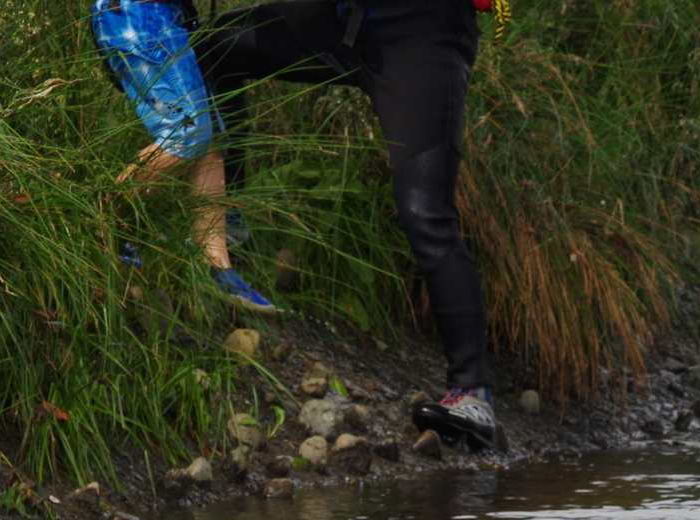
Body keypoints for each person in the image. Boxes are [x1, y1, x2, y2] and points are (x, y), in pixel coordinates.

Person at [197, 0, 500, 449]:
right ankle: (228, 217)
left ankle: (472, 395)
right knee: (210, 46)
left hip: (423, 35)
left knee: (424, 213)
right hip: (335, 20)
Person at [94, 0, 276, 311]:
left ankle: (217, 267)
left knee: (209, 138)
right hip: (135, 14)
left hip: (164, 15)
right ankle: (102, 216)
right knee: (188, 133)